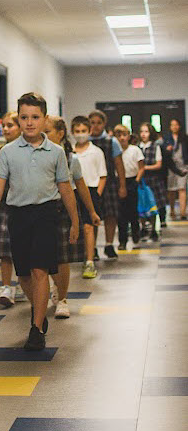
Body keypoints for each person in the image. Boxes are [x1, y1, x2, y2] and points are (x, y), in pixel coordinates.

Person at [0, 93, 79, 351]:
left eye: (35, 117)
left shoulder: (56, 153)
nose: (29, 122)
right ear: (18, 119)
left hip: (46, 215)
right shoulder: (7, 152)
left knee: (40, 270)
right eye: (24, 117)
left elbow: (66, 189)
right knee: (23, 274)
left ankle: (36, 327)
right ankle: (39, 309)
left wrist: (75, 221)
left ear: (45, 120)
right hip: (18, 215)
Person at [45, 116, 100, 318]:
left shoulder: (71, 159)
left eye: (48, 131)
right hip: (41, 210)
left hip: (62, 210)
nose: (44, 136)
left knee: (62, 258)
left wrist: (91, 212)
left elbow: (82, 188)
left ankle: (62, 298)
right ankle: (54, 286)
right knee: (45, 257)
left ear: (60, 134)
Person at [0, 111, 25, 308]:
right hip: (3, 203)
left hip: (20, 203)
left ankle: (22, 284)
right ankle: (6, 286)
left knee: (22, 249)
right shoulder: (0, 150)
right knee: (5, 249)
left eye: (10, 125)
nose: (5, 129)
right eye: (3, 125)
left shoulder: (24, 150)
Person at [88, 110, 127, 260]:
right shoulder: (86, 141)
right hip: (91, 183)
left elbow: (119, 164)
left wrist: (122, 185)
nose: (95, 126)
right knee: (94, 215)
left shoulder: (112, 141)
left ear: (104, 124)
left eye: (99, 123)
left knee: (111, 214)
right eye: (92, 123)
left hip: (109, 182)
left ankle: (109, 244)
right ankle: (93, 248)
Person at [72, 115, 107, 278]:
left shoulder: (96, 152)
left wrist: (98, 194)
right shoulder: (69, 152)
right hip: (72, 191)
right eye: (77, 131)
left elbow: (103, 175)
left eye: (83, 131)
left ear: (89, 131)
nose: (80, 134)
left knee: (88, 226)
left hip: (92, 190)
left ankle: (90, 261)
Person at [113, 124, 144, 250]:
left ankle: (136, 233)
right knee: (121, 214)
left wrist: (136, 181)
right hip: (119, 181)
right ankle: (122, 240)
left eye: (124, 135)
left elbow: (141, 167)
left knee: (133, 211)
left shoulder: (135, 150)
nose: (122, 138)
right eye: (119, 135)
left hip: (132, 181)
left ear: (129, 136)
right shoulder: (114, 152)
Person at [139, 122, 167, 242]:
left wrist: (145, 168)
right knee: (141, 204)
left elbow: (158, 164)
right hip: (140, 180)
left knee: (153, 205)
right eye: (142, 131)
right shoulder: (137, 146)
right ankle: (143, 227)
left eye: (146, 131)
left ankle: (153, 229)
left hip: (152, 180)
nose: (143, 134)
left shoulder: (155, 146)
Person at [163, 118, 188, 220]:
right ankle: (172, 210)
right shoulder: (167, 138)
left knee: (182, 188)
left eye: (176, 125)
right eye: (172, 125)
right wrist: (167, 149)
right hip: (171, 166)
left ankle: (182, 212)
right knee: (171, 190)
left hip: (183, 164)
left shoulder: (184, 138)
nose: (174, 127)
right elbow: (163, 151)